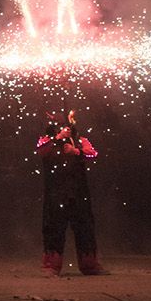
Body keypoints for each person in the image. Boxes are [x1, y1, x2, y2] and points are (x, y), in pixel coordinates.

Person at [36, 108, 103, 277]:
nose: (63, 127)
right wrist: (58, 139)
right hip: (56, 192)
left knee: (85, 227)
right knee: (54, 227)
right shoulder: (46, 140)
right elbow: (41, 151)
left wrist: (76, 151)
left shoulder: (80, 140)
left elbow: (93, 154)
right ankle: (51, 266)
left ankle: (89, 265)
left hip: (78, 191)